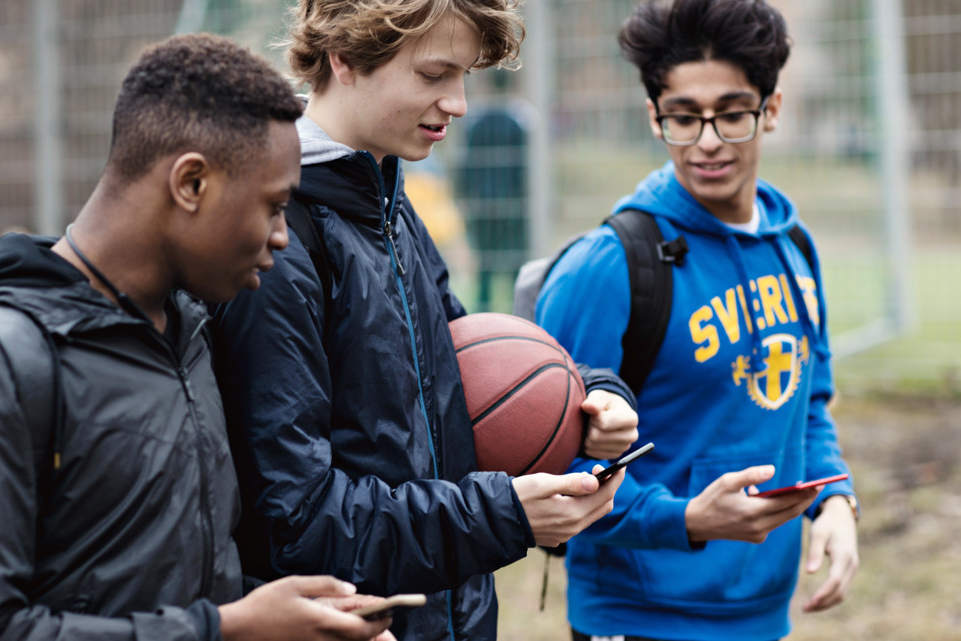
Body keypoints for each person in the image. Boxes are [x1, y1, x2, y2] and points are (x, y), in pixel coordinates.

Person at [0, 33, 395, 641]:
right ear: (190, 184)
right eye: (271, 206)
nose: (282, 236)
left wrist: (288, 618)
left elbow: (159, 589)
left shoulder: (190, 340)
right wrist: (231, 628)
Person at [210, 2, 639, 639]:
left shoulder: (388, 205)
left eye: (464, 75)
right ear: (345, 59)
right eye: (435, 75)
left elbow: (472, 365)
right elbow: (295, 519)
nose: (459, 102)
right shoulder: (276, 248)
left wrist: (591, 396)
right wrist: (504, 515)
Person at [535, 1, 859, 639]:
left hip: (762, 615)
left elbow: (808, 403)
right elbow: (547, 468)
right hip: (637, 616)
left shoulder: (791, 248)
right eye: (684, 118)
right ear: (654, 120)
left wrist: (835, 499)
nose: (708, 140)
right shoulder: (608, 267)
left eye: (732, 114)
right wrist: (683, 520)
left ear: (771, 110)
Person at [455, 68, 533, 312]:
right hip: (514, 204)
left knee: (485, 269)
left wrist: (465, 198)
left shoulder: (475, 123)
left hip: (483, 205)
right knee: (515, 266)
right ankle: (519, 318)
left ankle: (481, 318)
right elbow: (526, 168)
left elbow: (466, 166)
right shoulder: (520, 121)